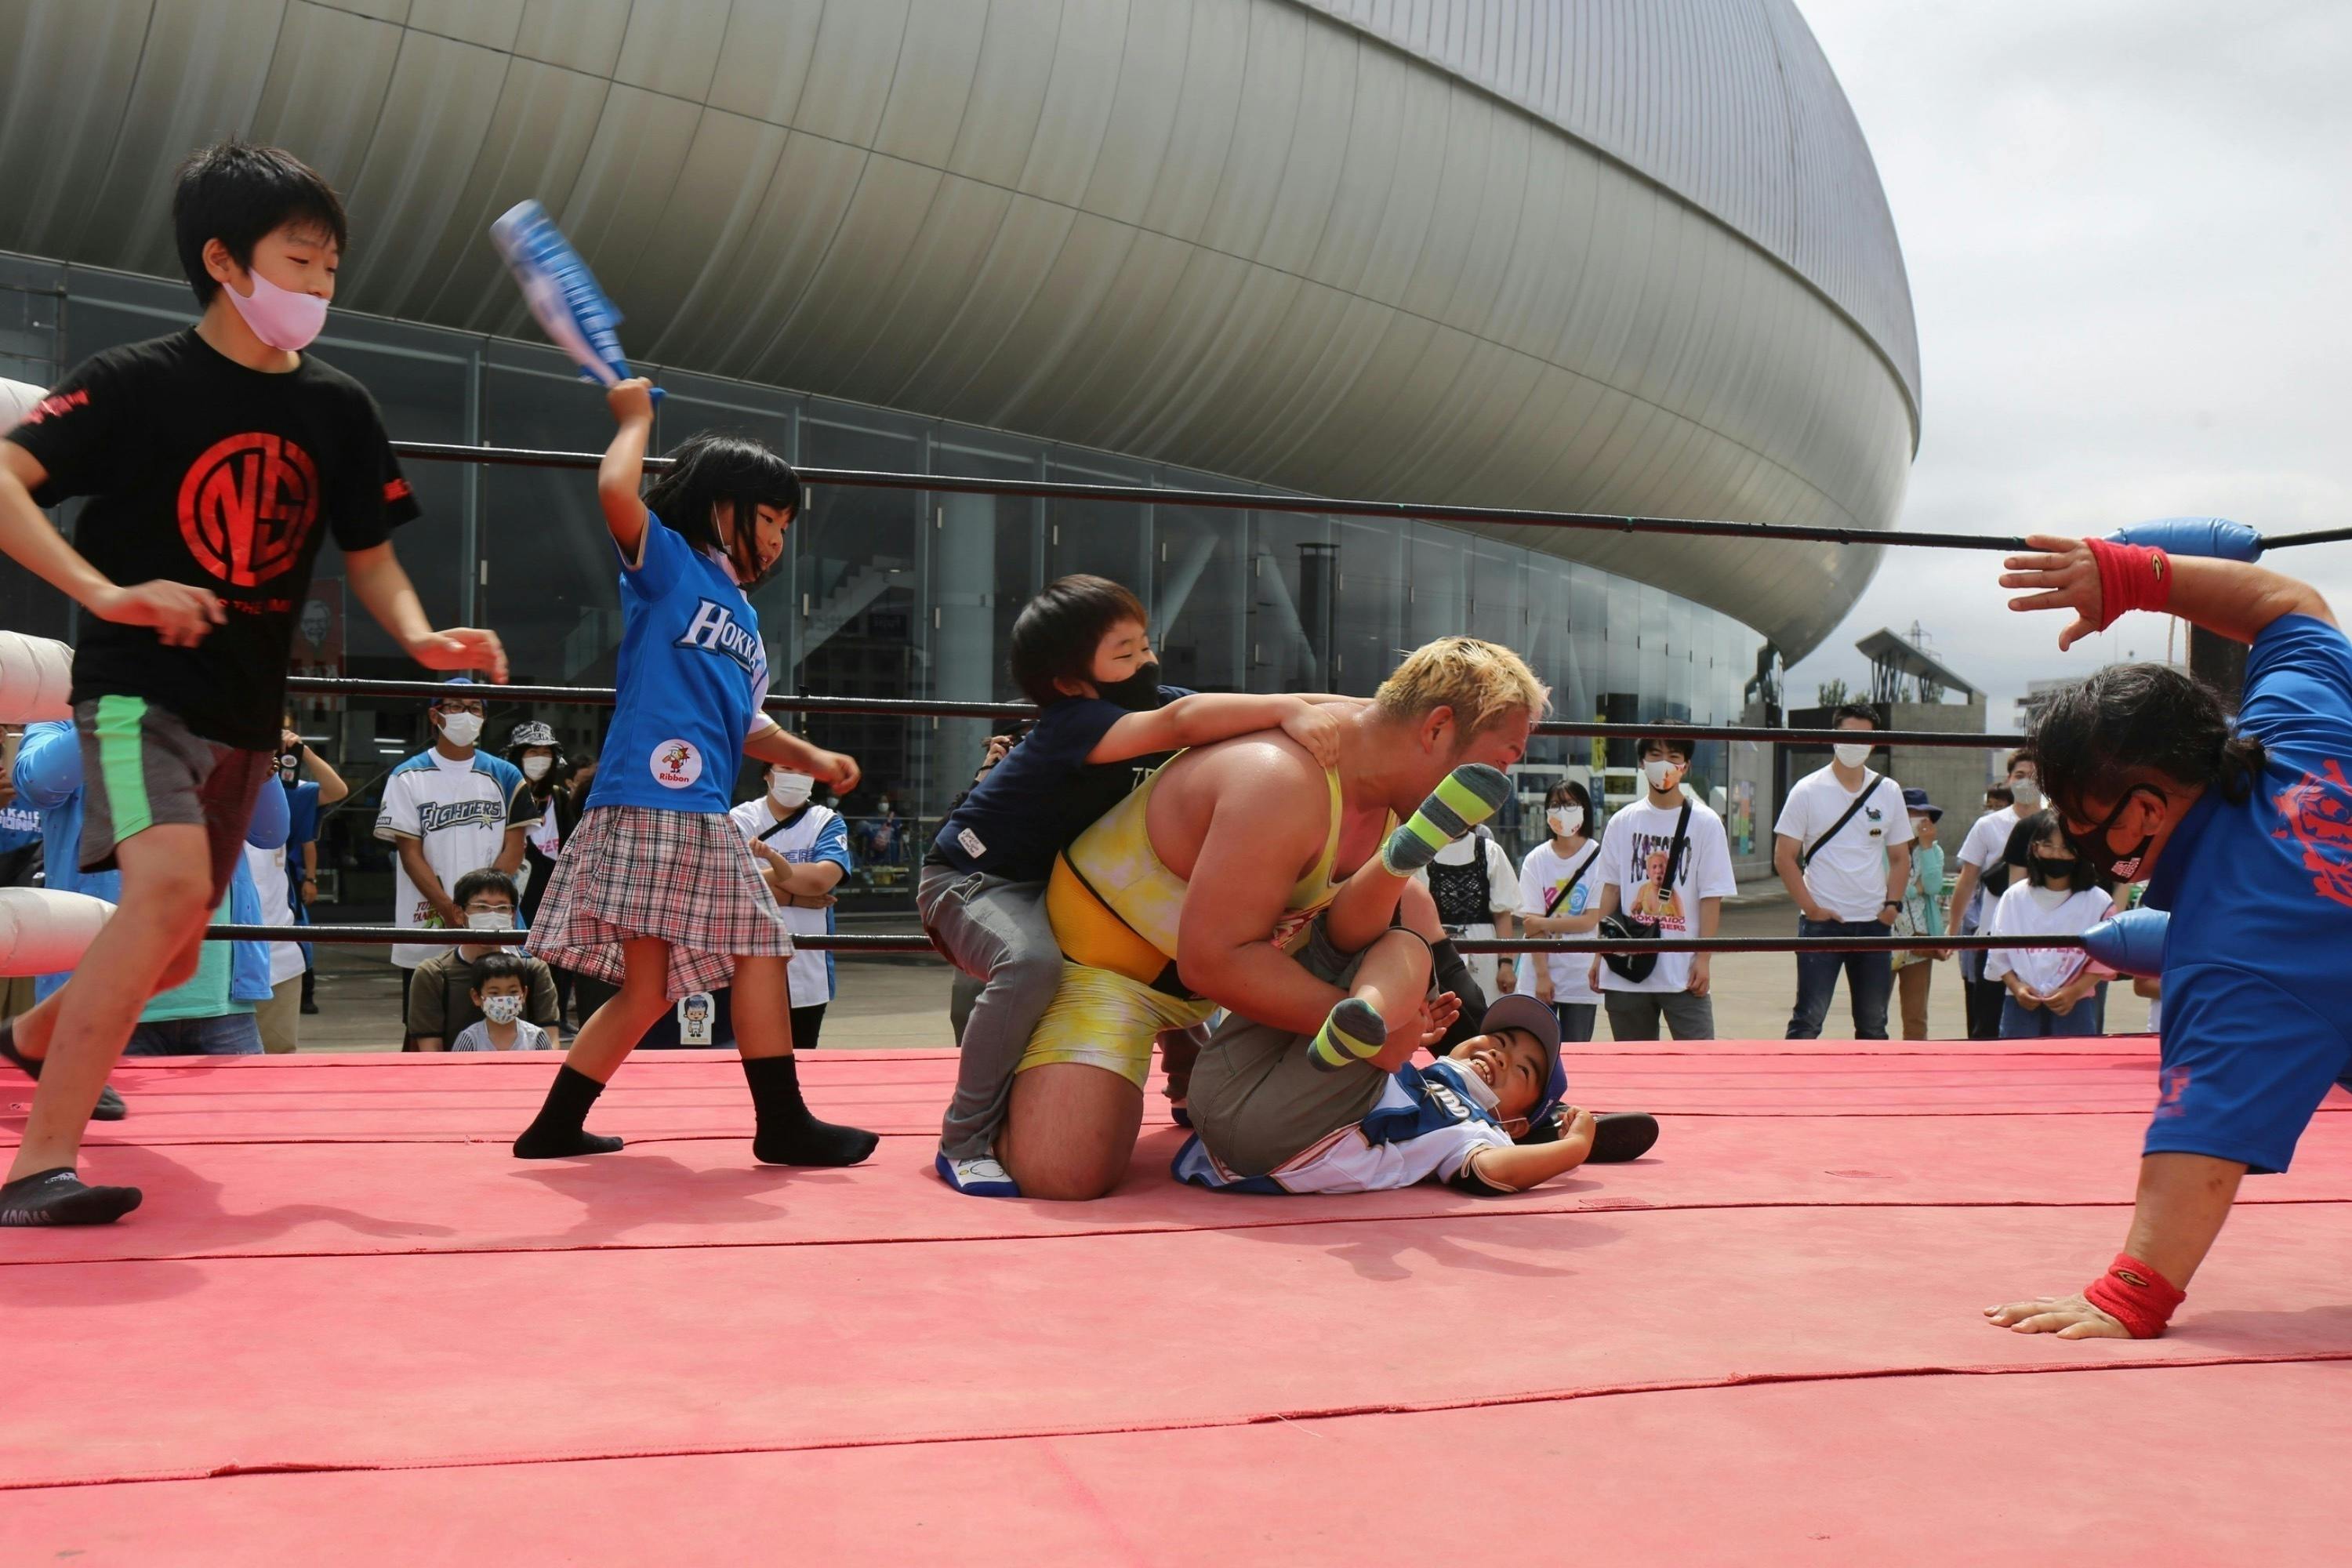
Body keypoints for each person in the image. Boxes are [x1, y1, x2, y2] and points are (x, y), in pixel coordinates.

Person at [0, 138, 506, 1223]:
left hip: (244, 715)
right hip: (135, 694)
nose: (318, 287)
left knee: (177, 941)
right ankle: (38, 1169)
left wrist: (421, 637)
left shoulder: (338, 408)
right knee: (164, 899)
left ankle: (36, 1036)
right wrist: (107, 592)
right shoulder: (134, 383)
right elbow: (6, 474)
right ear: (224, 261)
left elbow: (370, 555)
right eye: (298, 262)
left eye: (331, 268)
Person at [1000, 637, 1544, 1201]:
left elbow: (1407, 935)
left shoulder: (1387, 771)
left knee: (1404, 908)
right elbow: (1214, 960)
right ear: (1436, 729)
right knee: (1065, 1173)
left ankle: (1192, 1040)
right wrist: (1375, 1036)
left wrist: (1520, 1091)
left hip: (1212, 983)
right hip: (1107, 966)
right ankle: (1019, 1058)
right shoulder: (1281, 778)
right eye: (1500, 764)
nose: (1496, 794)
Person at [1984, 525, 2350, 1340]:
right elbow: (2288, 602)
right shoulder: (2296, 725)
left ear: (2146, 810)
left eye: (2079, 818)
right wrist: (2134, 573)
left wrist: (2130, 1293)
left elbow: (2204, 1136)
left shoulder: (2238, 951)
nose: (2070, 838)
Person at [512, 378, 877, 1167]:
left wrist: (811, 757)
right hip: (661, 801)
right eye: (769, 518)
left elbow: (748, 723)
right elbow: (616, 492)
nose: (778, 539)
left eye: (786, 526)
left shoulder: (744, 617)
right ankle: (782, 1122)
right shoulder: (671, 565)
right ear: (719, 505)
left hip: (675, 805)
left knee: (649, 989)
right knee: (762, 945)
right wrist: (635, 420)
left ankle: (554, 1126)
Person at [917, 574, 1354, 1194]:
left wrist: (1370, 712)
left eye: (1146, 645)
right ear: (1071, 682)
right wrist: (1289, 712)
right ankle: (963, 1139)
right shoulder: (1076, 722)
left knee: (1168, 937)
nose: (1147, 663)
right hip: (974, 880)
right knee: (1031, 964)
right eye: (1124, 654)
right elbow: (1186, 722)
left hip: (1062, 882)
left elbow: (1238, 704)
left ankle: (1187, 1087)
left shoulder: (1150, 703)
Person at [12, 720, 282, 1063]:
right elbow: (37, 784)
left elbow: (271, 832)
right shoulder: (64, 722)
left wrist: (260, 763)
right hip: (103, 999)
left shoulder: (211, 720)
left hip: (218, 996)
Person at [1559, 736, 1737, 1040]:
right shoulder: (1622, 821)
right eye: (1655, 755)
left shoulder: (1706, 823)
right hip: (1626, 969)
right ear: (1642, 762)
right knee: (1633, 1064)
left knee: (1700, 1061)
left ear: (1686, 765)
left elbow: (1711, 896)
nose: (1663, 764)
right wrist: (1601, 954)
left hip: (1683, 972)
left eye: (1673, 756)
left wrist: (1703, 958)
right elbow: (1610, 890)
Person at [379, 679, 532, 1001]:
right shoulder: (406, 777)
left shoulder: (507, 775)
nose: (467, 715)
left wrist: (481, 906)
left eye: (475, 708)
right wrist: (451, 910)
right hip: (427, 918)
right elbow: (410, 854)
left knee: (497, 1008)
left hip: (492, 919)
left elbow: (515, 848)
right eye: (456, 706)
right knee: (426, 1018)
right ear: (435, 715)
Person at [1773, 702, 1912, 1040]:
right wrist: (1812, 909)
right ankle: (1794, 1076)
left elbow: (1900, 857)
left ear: (1874, 743)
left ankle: (1871, 1077)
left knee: (1874, 1024)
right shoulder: (1808, 790)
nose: (1855, 744)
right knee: (1808, 1020)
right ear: (1832, 737)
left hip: (1874, 924)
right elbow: (1784, 857)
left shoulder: (1888, 791)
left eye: (1863, 738)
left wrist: (1892, 906)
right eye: (1848, 735)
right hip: (1823, 924)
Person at [731, 764, 854, 1051]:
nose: (795, 777)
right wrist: (793, 897)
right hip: (746, 957)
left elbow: (821, 880)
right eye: (786, 768)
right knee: (743, 1055)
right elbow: (727, 883)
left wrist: (760, 875)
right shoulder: (740, 819)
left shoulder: (826, 821)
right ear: (766, 774)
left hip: (807, 968)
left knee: (802, 1055)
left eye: (804, 770)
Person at [1980, 811, 2111, 1040]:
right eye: (2048, 846)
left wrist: (2075, 991)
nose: (2056, 854)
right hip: (2021, 1002)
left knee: (2074, 1061)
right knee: (2019, 1060)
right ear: (2035, 848)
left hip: (2075, 1004)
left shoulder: (2099, 902)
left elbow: (2105, 957)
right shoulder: (2014, 897)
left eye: (2066, 848)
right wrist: (2017, 987)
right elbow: (1998, 950)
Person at [405, 869, 563, 1051]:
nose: (492, 915)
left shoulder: (533, 970)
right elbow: (431, 1051)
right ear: (458, 913)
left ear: (513, 915)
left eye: (502, 908)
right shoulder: (433, 974)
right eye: (482, 907)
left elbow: (551, 1042)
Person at [1946, 750, 2041, 1039]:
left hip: (2043, 940)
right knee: (1986, 1024)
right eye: (2020, 775)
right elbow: (1967, 881)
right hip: (1992, 934)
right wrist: (1952, 930)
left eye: (2034, 776)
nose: (2026, 782)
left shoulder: (2058, 823)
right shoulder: (1989, 825)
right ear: (2008, 780)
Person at [1515, 779, 1605, 1042]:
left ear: (1584, 808)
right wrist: (1543, 976)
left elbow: (1590, 920)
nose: (1562, 811)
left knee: (1577, 1050)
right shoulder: (1536, 859)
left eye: (1570, 804)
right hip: (1538, 974)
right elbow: (1530, 924)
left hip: (1580, 975)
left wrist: (1545, 923)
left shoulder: (1599, 857)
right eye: (1555, 805)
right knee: (1537, 1048)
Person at [278, 714, 347, 1016]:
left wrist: (303, 751)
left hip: (283, 883)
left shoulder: (295, 791)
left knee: (297, 937)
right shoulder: (233, 784)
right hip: (237, 884)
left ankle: (305, 994)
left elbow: (338, 790)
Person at [1414, 823, 1520, 997]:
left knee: (1484, 1010)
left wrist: (1506, 964)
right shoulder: (1423, 854)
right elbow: (1417, 916)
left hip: (1485, 955)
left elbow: (1502, 915)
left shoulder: (1490, 851)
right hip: (1439, 952)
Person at [1890, 786, 1947, 1040]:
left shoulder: (1933, 851)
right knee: (1874, 1012)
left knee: (1916, 1016)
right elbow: (1886, 886)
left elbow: (1933, 886)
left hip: (1919, 940)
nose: (1916, 821)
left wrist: (1925, 847)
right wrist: (1916, 889)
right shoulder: (1884, 847)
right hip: (1885, 938)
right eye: (1909, 814)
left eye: (1921, 815)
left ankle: (1916, 1057)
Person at [448, 953, 555, 1053]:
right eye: (494, 993)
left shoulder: (537, 1038)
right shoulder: (469, 1040)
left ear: (524, 994)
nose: (504, 999)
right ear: (476, 997)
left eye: (513, 992)